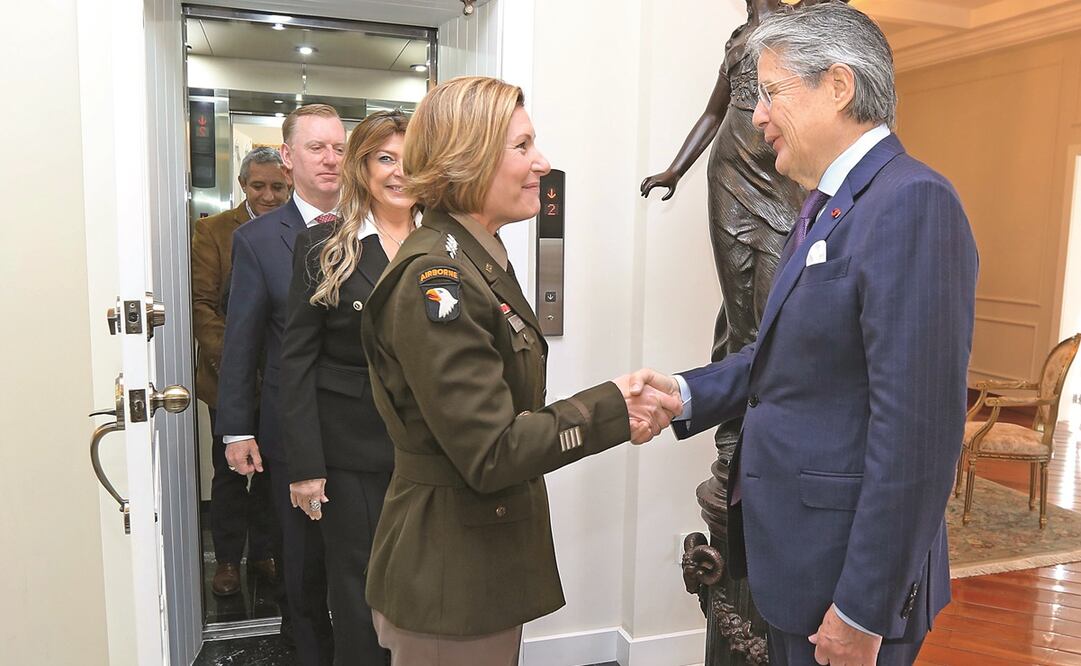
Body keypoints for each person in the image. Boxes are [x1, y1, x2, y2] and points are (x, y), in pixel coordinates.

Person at [632, 4, 978, 665]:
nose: (756, 116)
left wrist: (862, 610)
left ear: (838, 86)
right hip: (800, 562)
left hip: (846, 583)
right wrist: (682, 392)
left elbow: (917, 437)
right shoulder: (827, 207)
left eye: (770, 92)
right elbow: (782, 360)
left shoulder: (911, 202)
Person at [359, 76, 681, 666]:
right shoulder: (439, 279)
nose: (543, 163)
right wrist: (611, 404)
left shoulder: (476, 259)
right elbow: (492, 451)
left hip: (475, 562)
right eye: (523, 147)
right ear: (470, 158)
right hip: (449, 578)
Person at [279, 111, 419, 665]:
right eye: (386, 158)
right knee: (361, 595)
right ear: (361, 166)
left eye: (411, 160)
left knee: (423, 588)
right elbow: (297, 363)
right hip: (352, 455)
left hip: (433, 450)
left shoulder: (448, 244)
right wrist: (306, 466)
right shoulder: (323, 247)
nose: (399, 173)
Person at [216, 104, 345, 664]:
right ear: (289, 158)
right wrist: (236, 429)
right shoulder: (259, 239)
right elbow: (242, 342)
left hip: (364, 424)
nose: (331, 159)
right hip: (291, 426)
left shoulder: (376, 227)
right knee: (302, 562)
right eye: (317, 148)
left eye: (340, 148)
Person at [191, 146, 289, 596]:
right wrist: (236, 362)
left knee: (272, 472)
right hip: (227, 376)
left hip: (279, 379)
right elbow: (202, 306)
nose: (269, 196)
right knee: (229, 474)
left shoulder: (299, 229)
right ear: (243, 185)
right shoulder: (212, 232)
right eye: (259, 186)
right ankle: (228, 560)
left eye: (278, 186)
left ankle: (266, 553)